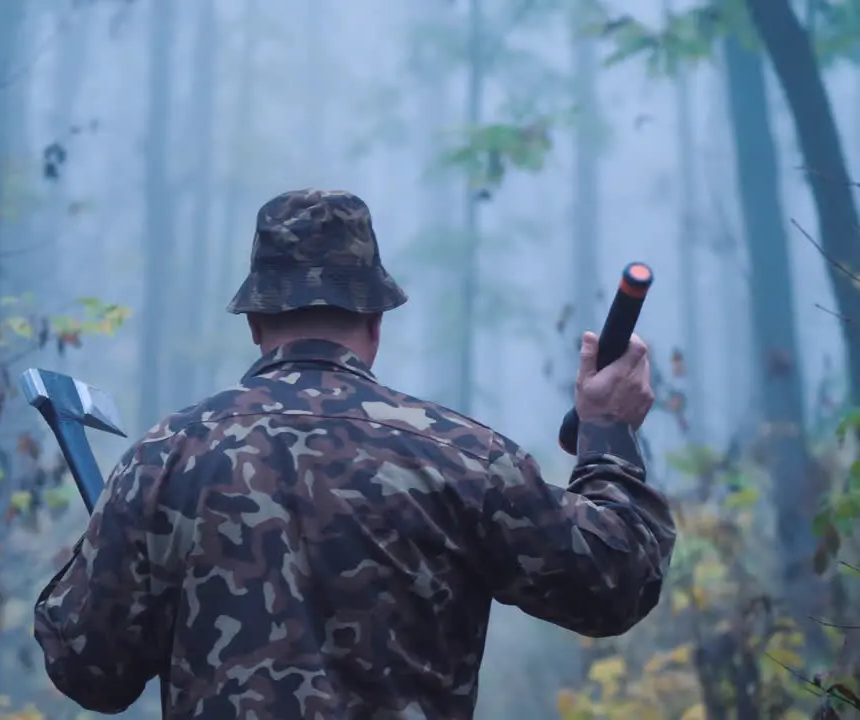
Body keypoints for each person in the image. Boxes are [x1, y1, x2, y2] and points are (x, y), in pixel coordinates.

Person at [33, 189, 676, 718]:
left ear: (256, 322)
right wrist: (607, 432)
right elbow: (613, 585)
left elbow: (91, 671)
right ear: (375, 320)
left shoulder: (166, 459)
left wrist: (118, 549)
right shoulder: (460, 458)